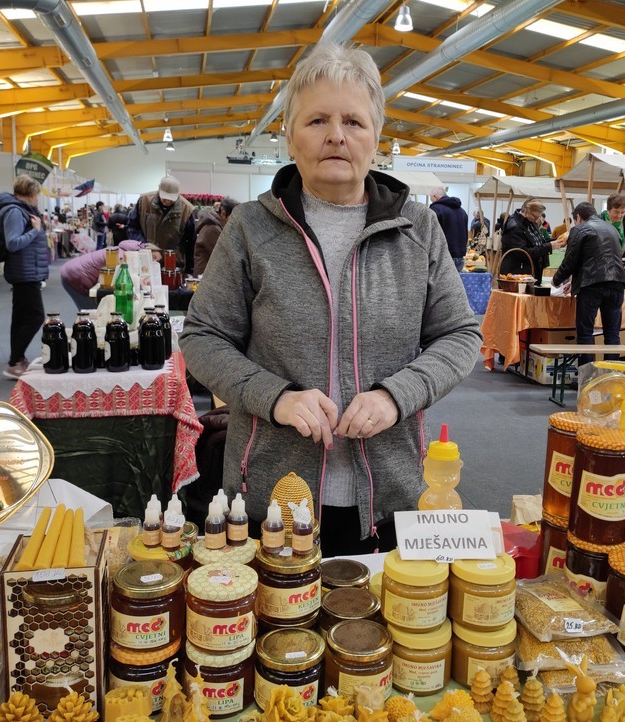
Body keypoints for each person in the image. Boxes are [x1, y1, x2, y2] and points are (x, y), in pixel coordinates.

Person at [180, 42, 481, 556]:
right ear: (290, 137)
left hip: (390, 493)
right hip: (271, 498)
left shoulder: (419, 228)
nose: (336, 135)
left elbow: (459, 334)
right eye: (317, 120)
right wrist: (276, 397)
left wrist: (395, 395)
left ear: (376, 137)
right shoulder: (251, 229)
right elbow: (203, 338)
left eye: (354, 122)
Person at [551, 202, 625, 368]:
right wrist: (574, 281)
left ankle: (587, 378)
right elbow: (601, 256)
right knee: (612, 334)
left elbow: (570, 261)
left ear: (578, 217)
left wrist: (555, 281)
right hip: (617, 284)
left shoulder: (579, 229)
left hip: (592, 286)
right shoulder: (611, 228)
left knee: (585, 333)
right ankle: (611, 376)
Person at [0, 174, 49, 379]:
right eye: (36, 195)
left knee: (21, 318)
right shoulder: (15, 212)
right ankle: (14, 361)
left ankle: (16, 359)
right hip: (24, 272)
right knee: (35, 317)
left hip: (27, 271)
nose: (37, 199)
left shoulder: (19, 210)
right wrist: (35, 231)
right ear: (29, 193)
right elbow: (13, 243)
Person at [128, 176, 196, 271]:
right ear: (159, 190)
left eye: (171, 199)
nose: (167, 201)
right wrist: (144, 246)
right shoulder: (144, 201)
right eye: (164, 198)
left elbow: (191, 242)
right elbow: (133, 228)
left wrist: (190, 269)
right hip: (146, 260)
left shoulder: (186, 210)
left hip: (173, 264)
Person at [60, 239, 143, 309]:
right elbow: (104, 280)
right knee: (91, 314)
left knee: (93, 313)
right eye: (154, 258)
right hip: (75, 275)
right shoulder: (121, 257)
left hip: (74, 271)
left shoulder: (125, 250)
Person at [499, 200, 562, 280]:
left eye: (538, 217)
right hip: (517, 276)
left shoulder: (529, 222)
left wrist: (557, 241)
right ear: (525, 211)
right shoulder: (514, 227)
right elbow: (524, 253)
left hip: (531, 272)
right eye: (535, 216)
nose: (536, 219)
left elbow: (539, 242)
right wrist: (549, 246)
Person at [193, 197, 237, 276]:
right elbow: (224, 256)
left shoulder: (218, 226)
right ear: (223, 214)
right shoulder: (213, 229)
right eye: (234, 217)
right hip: (205, 277)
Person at [600, 194, 625, 276]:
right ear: (608, 210)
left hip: (620, 274)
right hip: (600, 273)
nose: (619, 216)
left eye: (622, 212)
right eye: (616, 212)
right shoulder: (598, 223)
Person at [429, 186, 468, 271]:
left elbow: (431, 233)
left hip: (443, 255)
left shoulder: (435, 209)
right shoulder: (462, 211)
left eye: (431, 198)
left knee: (441, 284)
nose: (431, 201)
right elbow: (465, 233)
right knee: (456, 283)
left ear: (435, 197)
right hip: (459, 255)